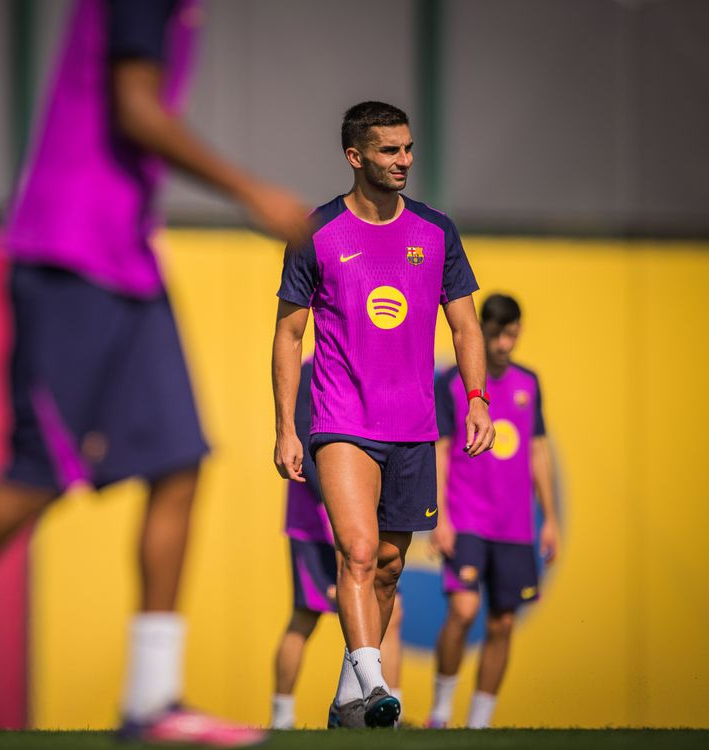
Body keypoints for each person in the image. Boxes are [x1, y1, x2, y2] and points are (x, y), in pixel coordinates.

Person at [0, 1, 310, 747]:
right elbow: (136, 111)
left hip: (129, 263)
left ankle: (151, 702)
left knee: (180, 463)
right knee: (37, 472)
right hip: (68, 255)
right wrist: (256, 195)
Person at [271, 100, 494, 730]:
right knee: (360, 551)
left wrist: (478, 400)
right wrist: (287, 426)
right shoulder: (316, 232)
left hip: (415, 427)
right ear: (355, 157)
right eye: (390, 150)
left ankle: (347, 698)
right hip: (340, 420)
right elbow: (289, 336)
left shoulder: (436, 230)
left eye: (408, 148)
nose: (405, 160)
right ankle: (375, 690)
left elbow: (465, 325)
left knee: (390, 566)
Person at [427, 293, 558, 729]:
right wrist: (440, 516)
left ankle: (479, 724)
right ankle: (441, 713)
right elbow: (441, 451)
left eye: (511, 334)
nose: (503, 344)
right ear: (481, 331)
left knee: (502, 624)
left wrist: (551, 518)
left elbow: (538, 451)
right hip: (466, 520)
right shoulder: (452, 382)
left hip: (515, 525)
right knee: (463, 611)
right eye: (496, 334)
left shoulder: (529, 383)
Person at [269, 360, 404, 730]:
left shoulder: (368, 369)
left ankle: (387, 711)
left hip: (357, 522)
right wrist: (333, 511)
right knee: (304, 617)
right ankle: (281, 718)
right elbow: (305, 445)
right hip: (313, 524)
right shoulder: (312, 372)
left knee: (391, 615)